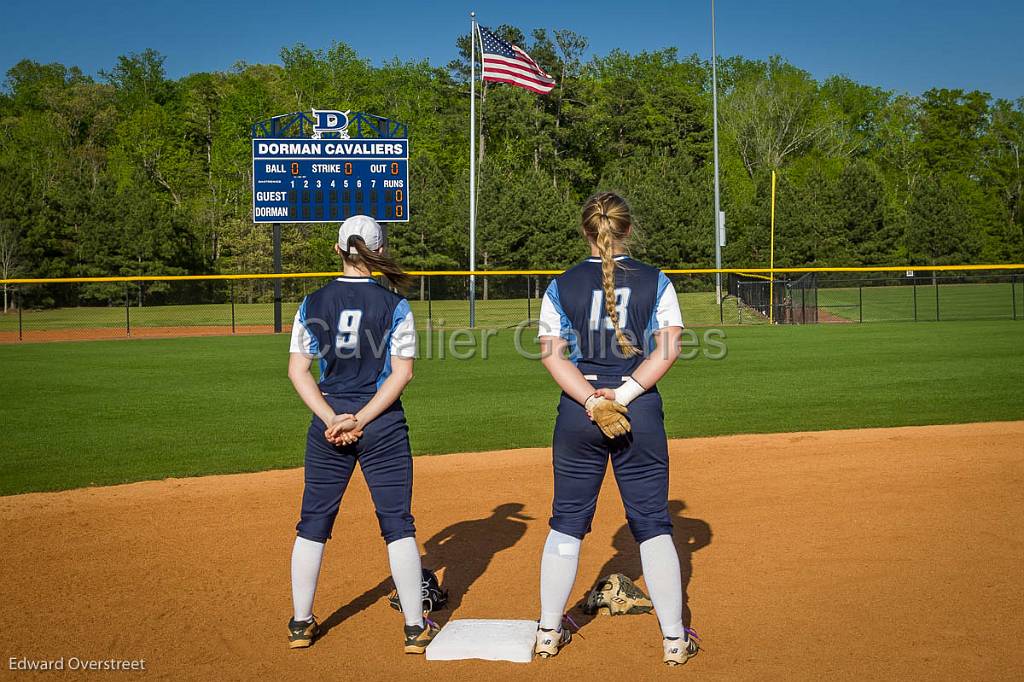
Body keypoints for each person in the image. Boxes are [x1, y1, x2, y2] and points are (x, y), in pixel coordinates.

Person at [534, 192, 698, 666]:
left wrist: (592, 400)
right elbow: (667, 351)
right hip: (638, 410)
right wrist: (621, 398)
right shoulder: (656, 280)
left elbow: (552, 355)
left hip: (577, 411)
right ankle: (673, 641)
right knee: (652, 525)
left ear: (586, 230)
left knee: (566, 522)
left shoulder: (561, 284)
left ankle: (548, 631)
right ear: (628, 229)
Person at [285, 214, 439, 654]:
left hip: (327, 423)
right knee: (397, 525)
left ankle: (300, 623)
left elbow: (298, 371)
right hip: (383, 424)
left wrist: (334, 418)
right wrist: (362, 419)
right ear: (379, 252)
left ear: (338, 250)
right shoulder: (395, 306)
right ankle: (414, 629)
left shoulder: (312, 303)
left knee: (313, 524)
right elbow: (402, 374)